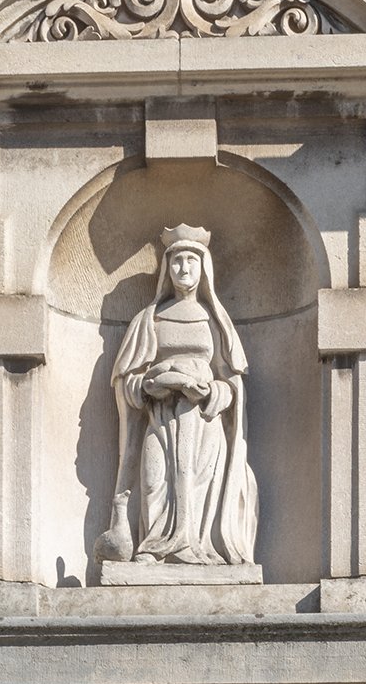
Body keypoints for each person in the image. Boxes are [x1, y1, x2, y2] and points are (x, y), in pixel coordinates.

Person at [99, 226, 258, 569]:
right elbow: (126, 380)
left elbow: (233, 384)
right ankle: (153, 548)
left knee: (197, 482)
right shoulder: (149, 319)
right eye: (176, 261)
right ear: (166, 269)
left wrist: (211, 391)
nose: (184, 268)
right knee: (153, 480)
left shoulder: (215, 321)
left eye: (191, 261)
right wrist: (148, 386)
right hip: (160, 418)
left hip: (203, 422)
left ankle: (197, 548)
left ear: (204, 268)